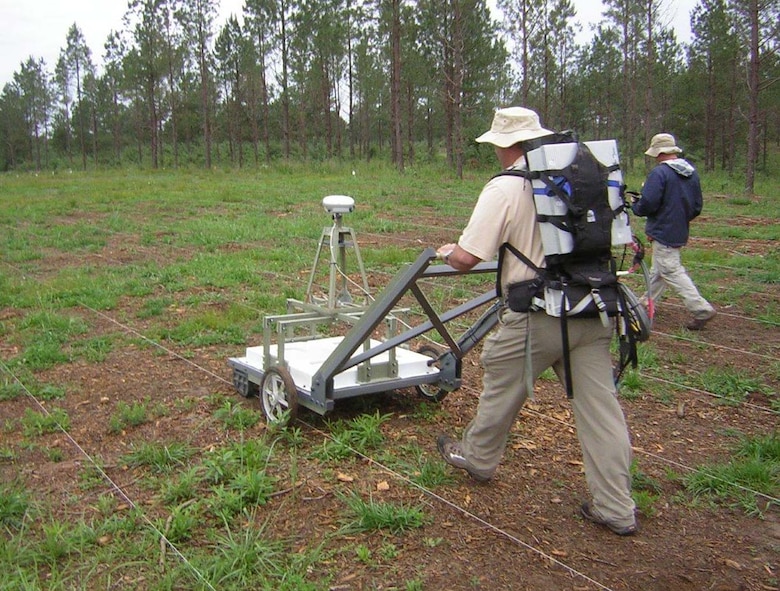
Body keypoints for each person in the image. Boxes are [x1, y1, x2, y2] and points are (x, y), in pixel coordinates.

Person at [435, 107, 637, 536]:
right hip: (594, 308)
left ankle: (478, 458)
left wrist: (447, 251)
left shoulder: (506, 187)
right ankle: (617, 507)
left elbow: (469, 257)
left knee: (500, 383)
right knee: (601, 411)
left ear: (505, 145)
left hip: (539, 315)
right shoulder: (580, 178)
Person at [632, 133, 716, 331]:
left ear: (659, 152)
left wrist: (637, 206)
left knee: (670, 270)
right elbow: (696, 206)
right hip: (679, 228)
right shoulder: (690, 172)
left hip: (663, 230)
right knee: (660, 269)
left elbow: (649, 203)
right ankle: (646, 303)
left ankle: (701, 308)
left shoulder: (659, 174)